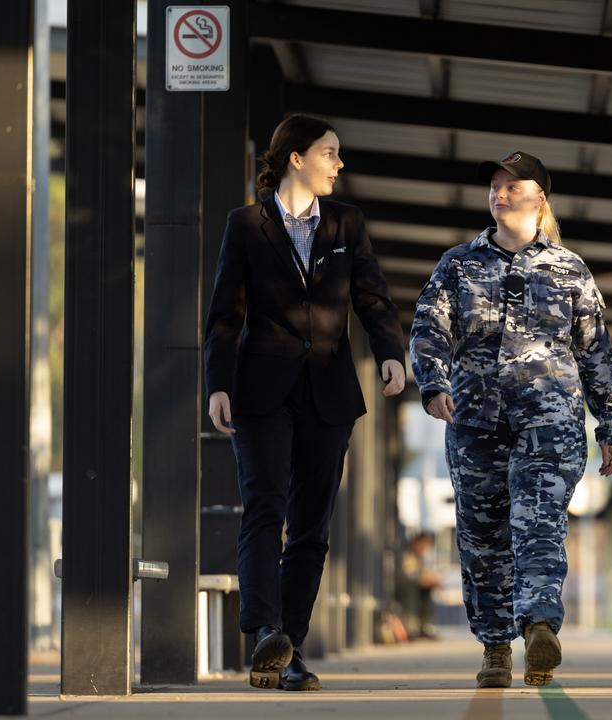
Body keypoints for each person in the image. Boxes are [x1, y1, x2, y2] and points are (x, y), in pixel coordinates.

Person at [411, 151, 612, 688]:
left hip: (549, 423)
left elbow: (596, 352)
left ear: (540, 198)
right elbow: (429, 329)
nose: (500, 193)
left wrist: (610, 424)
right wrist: (433, 382)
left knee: (539, 526)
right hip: (475, 423)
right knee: (482, 537)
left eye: (513, 185)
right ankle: (493, 648)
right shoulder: (457, 265)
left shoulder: (569, 269)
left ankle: (538, 628)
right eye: (494, 185)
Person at [203, 114, 406, 692]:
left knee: (311, 528)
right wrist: (217, 385)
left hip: (329, 394)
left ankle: (289, 648)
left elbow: (373, 297)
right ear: (297, 157)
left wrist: (391, 351)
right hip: (260, 392)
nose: (339, 164)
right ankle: (265, 628)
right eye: (330, 152)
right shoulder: (245, 225)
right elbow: (224, 315)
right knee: (265, 508)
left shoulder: (347, 223)